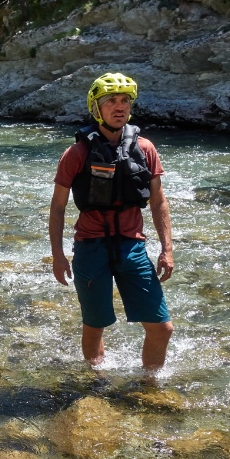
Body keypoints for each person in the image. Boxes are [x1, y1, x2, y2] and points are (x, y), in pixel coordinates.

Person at [48, 72, 174, 371]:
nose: (120, 107)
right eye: (111, 102)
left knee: (162, 328)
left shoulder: (145, 149)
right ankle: (96, 381)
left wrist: (167, 248)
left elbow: (159, 202)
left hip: (132, 246)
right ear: (96, 108)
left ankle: (149, 386)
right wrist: (58, 255)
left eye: (125, 101)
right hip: (91, 246)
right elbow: (57, 207)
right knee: (96, 324)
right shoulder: (76, 153)